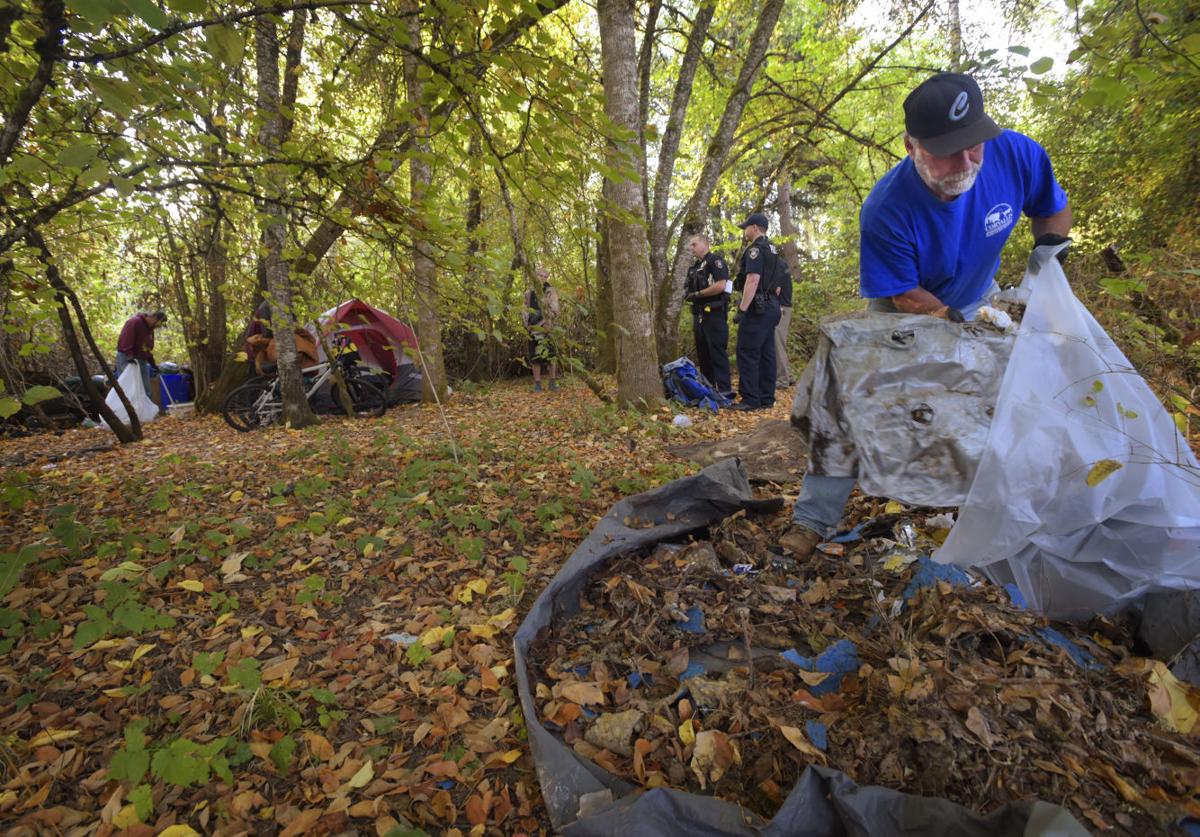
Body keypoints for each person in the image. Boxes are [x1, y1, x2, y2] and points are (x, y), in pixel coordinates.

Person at [781, 71, 1072, 558]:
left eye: (973, 145)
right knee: (851, 396)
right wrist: (961, 328)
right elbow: (906, 298)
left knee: (1012, 396)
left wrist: (1047, 263)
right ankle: (813, 519)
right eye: (945, 150)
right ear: (910, 146)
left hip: (983, 298)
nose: (964, 162)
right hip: (910, 309)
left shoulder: (1016, 154)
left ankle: (1007, 509)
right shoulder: (886, 209)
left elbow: (1052, 210)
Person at [731, 212, 784, 411]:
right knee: (766, 351)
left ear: (754, 227)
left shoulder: (755, 250)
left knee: (747, 350)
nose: (744, 231)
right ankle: (766, 397)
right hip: (772, 305)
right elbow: (778, 285)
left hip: (758, 307)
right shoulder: (773, 250)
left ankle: (751, 399)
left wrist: (742, 309)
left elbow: (752, 280)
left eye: (746, 227)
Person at [683, 233, 733, 399]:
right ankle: (709, 390)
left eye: (694, 244)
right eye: (691, 245)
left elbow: (720, 285)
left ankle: (725, 390)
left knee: (717, 351)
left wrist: (698, 294)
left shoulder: (715, 262)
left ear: (705, 244)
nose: (692, 248)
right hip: (698, 314)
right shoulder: (695, 267)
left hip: (714, 313)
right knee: (703, 353)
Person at [114, 310, 167, 397]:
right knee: (127, 387)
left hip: (141, 359)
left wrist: (152, 363)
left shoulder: (150, 330)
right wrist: (129, 355)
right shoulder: (135, 322)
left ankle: (147, 410)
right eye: (158, 324)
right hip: (126, 357)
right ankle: (126, 409)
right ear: (153, 318)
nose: (157, 327)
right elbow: (125, 339)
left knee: (146, 389)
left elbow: (146, 349)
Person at [524, 269, 560, 391]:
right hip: (533, 330)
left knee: (551, 357)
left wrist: (543, 322)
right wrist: (528, 324)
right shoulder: (528, 293)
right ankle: (538, 384)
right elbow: (524, 310)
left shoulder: (551, 292)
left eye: (545, 276)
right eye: (540, 275)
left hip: (547, 329)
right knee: (535, 358)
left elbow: (555, 311)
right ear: (535, 276)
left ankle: (552, 383)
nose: (543, 278)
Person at [774, 252, 795, 390]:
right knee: (780, 342)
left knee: (777, 342)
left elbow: (776, 289)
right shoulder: (780, 263)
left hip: (780, 307)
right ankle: (789, 375)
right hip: (783, 307)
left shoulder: (777, 264)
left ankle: (782, 380)